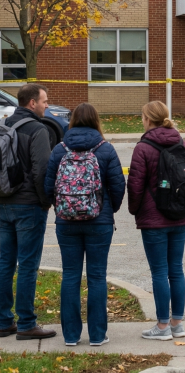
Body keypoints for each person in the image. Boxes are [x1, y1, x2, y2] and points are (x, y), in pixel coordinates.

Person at [44, 103, 125, 347]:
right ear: (96, 121)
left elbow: (48, 187)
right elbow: (119, 186)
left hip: (66, 221)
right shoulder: (106, 149)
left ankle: (70, 336)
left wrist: (61, 209)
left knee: (70, 275)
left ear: (72, 122)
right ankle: (98, 336)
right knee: (97, 277)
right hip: (99, 221)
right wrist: (109, 210)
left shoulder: (59, 150)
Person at [128, 101, 185, 341]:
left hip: (153, 219)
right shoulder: (181, 142)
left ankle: (162, 326)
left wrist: (136, 211)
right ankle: (178, 324)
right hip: (179, 215)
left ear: (148, 119)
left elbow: (135, 185)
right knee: (176, 269)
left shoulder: (143, 147)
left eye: (142, 117)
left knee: (159, 272)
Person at [0, 84, 57, 340]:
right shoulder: (38, 130)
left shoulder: (3, 126)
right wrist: (46, 202)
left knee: (4, 264)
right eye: (44, 101)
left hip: (3, 203)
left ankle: (3, 321)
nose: (47, 105)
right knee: (27, 266)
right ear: (32, 103)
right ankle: (26, 324)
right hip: (28, 207)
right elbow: (42, 171)